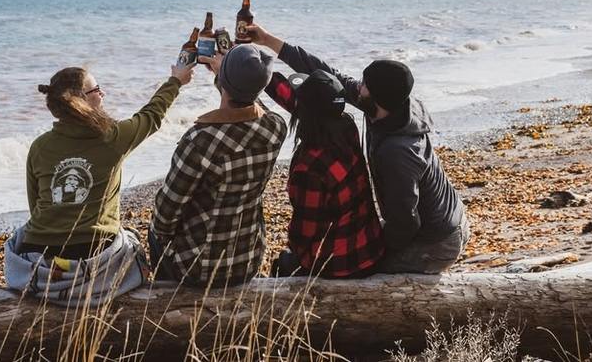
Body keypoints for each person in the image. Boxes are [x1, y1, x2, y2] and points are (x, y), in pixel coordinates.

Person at [248, 24, 469, 274]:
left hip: (437, 241)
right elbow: (324, 77)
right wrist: (267, 41)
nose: (357, 86)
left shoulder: (397, 152)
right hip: (443, 216)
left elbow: (406, 223)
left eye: (364, 85)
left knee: (363, 267)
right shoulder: (391, 107)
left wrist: (372, 252)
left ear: (376, 99)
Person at [4, 63, 193, 305]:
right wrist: (175, 81)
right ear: (80, 101)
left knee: (18, 237)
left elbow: (36, 206)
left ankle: (52, 283)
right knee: (131, 242)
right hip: (94, 253)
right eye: (97, 90)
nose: (102, 94)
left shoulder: (40, 146)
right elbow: (151, 115)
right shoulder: (112, 137)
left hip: (40, 253)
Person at [149, 44, 288, 287]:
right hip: (248, 261)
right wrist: (223, 76)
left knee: (154, 231)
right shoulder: (276, 129)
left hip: (198, 269)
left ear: (225, 83)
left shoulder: (200, 141)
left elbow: (165, 216)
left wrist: (222, 76)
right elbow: (253, 107)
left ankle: (167, 301)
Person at [265, 68, 385, 278]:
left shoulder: (310, 167)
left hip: (340, 264)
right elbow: (300, 104)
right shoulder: (347, 127)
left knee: (282, 265)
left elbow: (304, 235)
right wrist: (256, 74)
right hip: (370, 248)